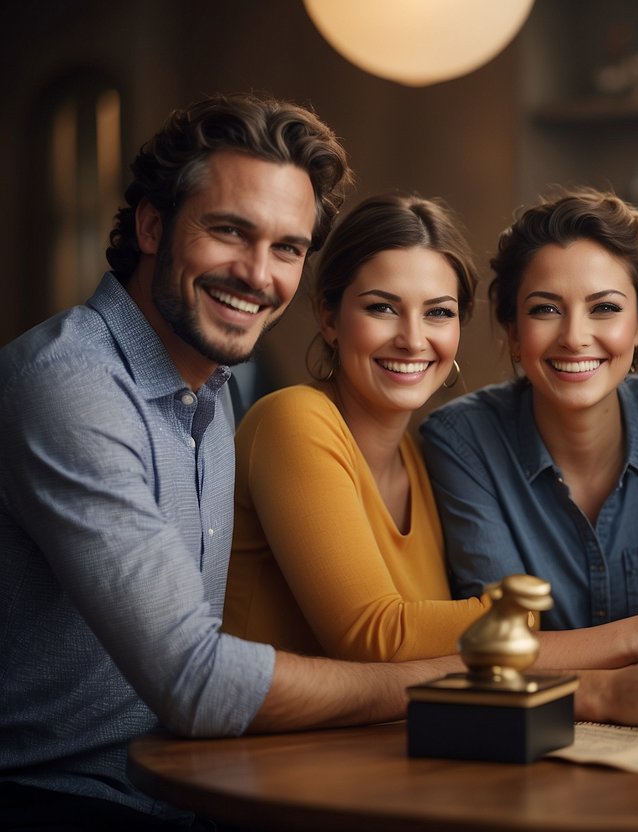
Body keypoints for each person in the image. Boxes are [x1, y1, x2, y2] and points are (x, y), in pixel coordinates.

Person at [0, 94, 460, 830]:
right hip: (59, 797)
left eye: (287, 248)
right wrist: (463, 678)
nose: (257, 274)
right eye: (228, 232)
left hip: (188, 787)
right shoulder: (70, 386)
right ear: (152, 225)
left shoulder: (213, 392)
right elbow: (197, 682)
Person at [222, 192, 638, 726]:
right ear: (328, 318)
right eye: (381, 307)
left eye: (438, 313)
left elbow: (443, 658)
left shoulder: (419, 459)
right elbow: (378, 637)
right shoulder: (295, 418)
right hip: (263, 770)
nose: (412, 339)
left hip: (385, 755)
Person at [420, 188, 638, 660]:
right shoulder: (461, 439)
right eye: (545, 309)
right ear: (512, 330)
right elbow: (499, 641)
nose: (574, 337)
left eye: (605, 308)